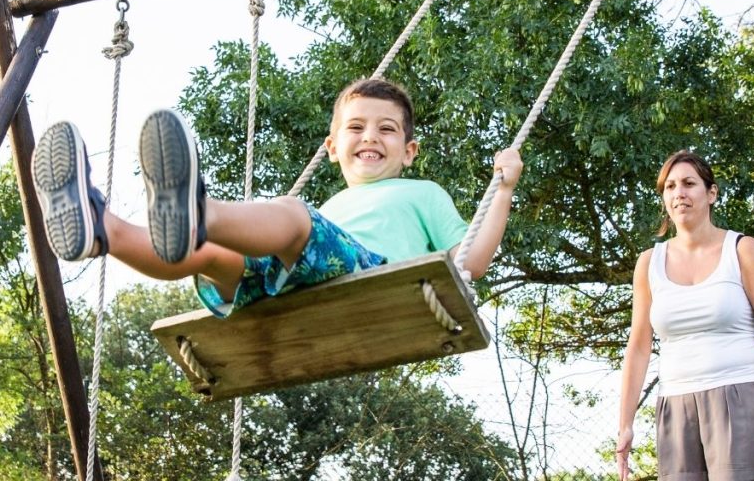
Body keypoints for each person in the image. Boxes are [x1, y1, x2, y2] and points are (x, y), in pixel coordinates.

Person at [31, 78, 523, 317]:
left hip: (378, 279)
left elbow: (469, 262)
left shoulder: (422, 192)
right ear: (331, 148)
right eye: (356, 128)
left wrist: (504, 188)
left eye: (387, 130)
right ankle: (105, 231)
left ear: (409, 150)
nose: (370, 137)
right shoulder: (334, 209)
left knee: (292, 215)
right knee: (212, 256)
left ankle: (197, 212)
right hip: (296, 290)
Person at [616, 150, 754, 481]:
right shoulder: (648, 264)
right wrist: (625, 424)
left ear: (711, 193)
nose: (678, 193)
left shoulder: (743, 250)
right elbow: (638, 347)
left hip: (740, 397)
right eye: (669, 187)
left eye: (688, 183)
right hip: (675, 404)